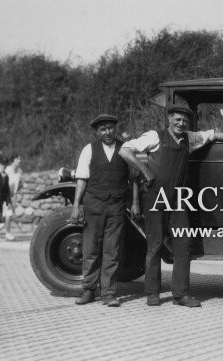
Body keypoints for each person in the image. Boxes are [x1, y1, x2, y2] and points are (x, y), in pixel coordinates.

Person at [119, 102, 223, 307]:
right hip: (156, 198)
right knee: (154, 246)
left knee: (183, 244)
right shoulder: (154, 136)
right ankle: (152, 293)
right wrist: (145, 171)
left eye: (184, 121)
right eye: (177, 119)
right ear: (169, 119)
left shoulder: (190, 138)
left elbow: (213, 135)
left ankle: (180, 294)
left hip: (179, 200)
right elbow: (125, 151)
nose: (181, 123)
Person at [70, 114, 130, 307]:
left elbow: (135, 178)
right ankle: (88, 290)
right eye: (103, 129)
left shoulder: (125, 148)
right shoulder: (89, 149)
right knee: (91, 250)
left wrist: (135, 202)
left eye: (110, 128)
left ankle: (108, 293)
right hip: (94, 204)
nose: (107, 132)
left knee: (112, 251)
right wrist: (76, 206)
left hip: (117, 206)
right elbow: (81, 179)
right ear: (97, 131)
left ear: (115, 129)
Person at [1, 153, 22, 240]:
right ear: (13, 160)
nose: (20, 161)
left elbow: (20, 183)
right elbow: (2, 182)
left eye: (20, 159)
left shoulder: (20, 171)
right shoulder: (7, 170)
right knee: (9, 214)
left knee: (8, 214)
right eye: (18, 159)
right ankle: (8, 234)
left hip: (13, 196)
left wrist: (17, 188)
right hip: (6, 195)